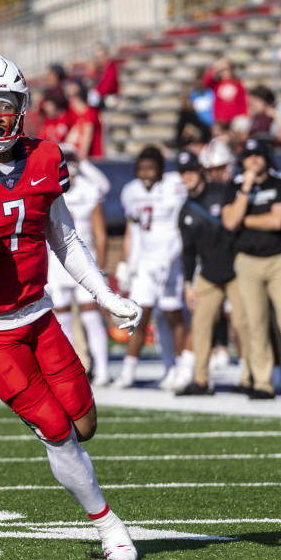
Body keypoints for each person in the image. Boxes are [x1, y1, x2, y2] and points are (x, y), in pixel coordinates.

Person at [0, 53, 141, 560]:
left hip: (37, 313)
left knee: (84, 424)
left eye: (4, 103)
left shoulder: (46, 158)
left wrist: (105, 296)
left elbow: (65, 237)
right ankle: (109, 526)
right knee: (56, 433)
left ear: (23, 106)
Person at [221, 137, 281, 399]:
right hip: (248, 261)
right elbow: (230, 222)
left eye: (258, 155)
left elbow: (278, 221)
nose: (253, 160)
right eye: (248, 156)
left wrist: (246, 220)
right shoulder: (236, 187)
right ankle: (262, 382)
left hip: (279, 261)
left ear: (266, 157)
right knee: (255, 324)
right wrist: (245, 190)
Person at [115, 146, 192, 390]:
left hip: (171, 259)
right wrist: (128, 262)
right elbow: (133, 229)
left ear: (160, 169)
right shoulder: (131, 191)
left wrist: (176, 256)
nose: (146, 173)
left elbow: (183, 225)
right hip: (146, 261)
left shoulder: (174, 185)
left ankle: (179, 368)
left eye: (151, 168)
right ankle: (129, 370)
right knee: (139, 315)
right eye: (141, 168)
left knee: (172, 315)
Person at [174, 150, 247, 395]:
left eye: (192, 171)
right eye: (184, 172)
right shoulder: (185, 211)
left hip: (236, 268)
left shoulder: (222, 191)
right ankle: (201, 379)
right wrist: (188, 283)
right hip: (208, 273)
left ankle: (252, 377)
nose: (188, 176)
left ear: (200, 171)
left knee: (243, 324)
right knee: (201, 324)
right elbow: (188, 252)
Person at [45, 148, 111, 386]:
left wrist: (101, 267)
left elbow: (100, 234)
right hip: (55, 262)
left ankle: (102, 370)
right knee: (61, 321)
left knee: (91, 317)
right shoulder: (49, 190)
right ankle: (74, 370)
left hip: (84, 260)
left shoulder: (88, 189)